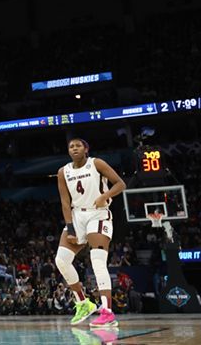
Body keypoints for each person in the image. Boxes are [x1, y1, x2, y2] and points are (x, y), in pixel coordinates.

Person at [54, 138, 126, 328]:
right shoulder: (63, 172)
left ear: (86, 149)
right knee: (61, 260)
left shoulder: (97, 163)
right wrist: (70, 228)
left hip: (98, 214)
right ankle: (83, 303)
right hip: (77, 215)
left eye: (78, 145)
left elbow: (120, 184)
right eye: (71, 146)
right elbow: (64, 203)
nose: (74, 148)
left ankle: (107, 312)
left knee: (97, 261)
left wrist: (105, 196)